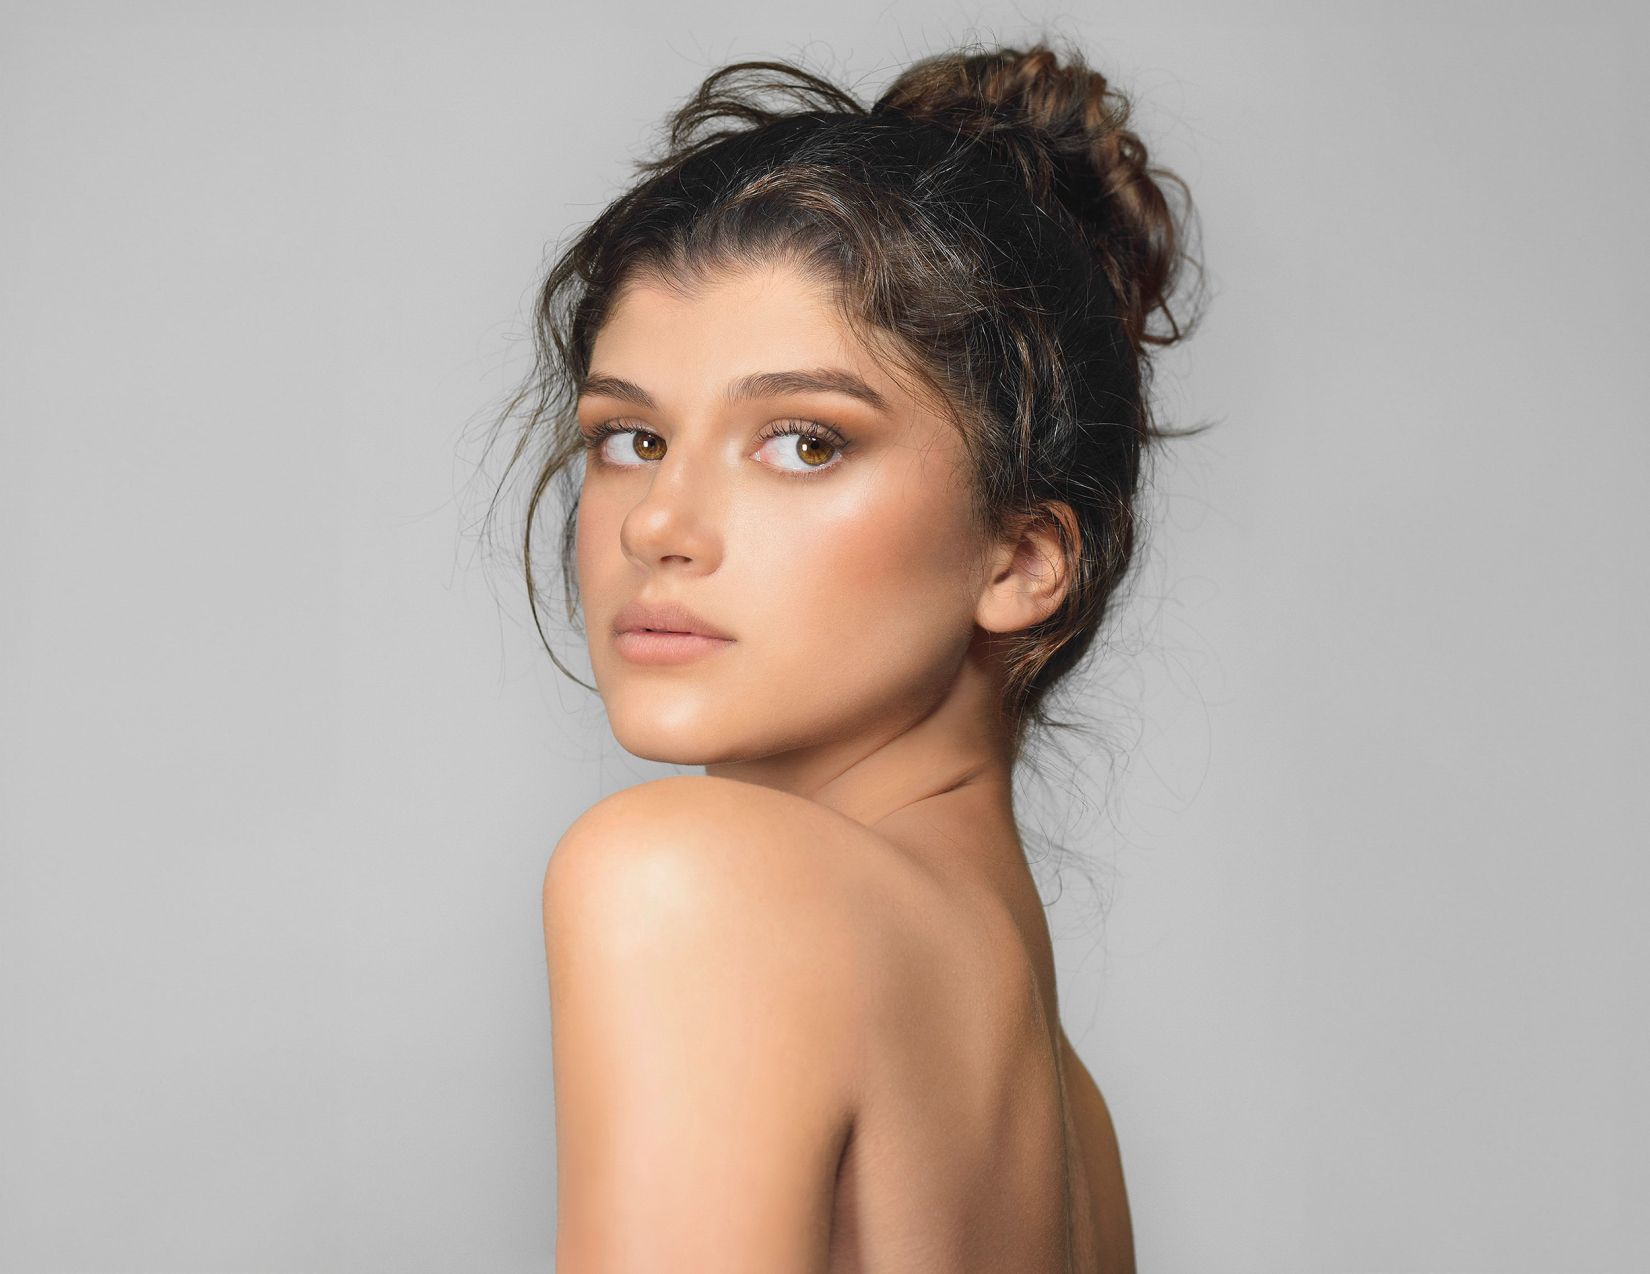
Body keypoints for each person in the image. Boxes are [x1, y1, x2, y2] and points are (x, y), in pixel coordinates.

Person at [494, 37, 1206, 1272]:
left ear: (1022, 556)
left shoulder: (699, 885)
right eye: (631, 438)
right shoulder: (1069, 1122)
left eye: (805, 442)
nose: (657, 524)